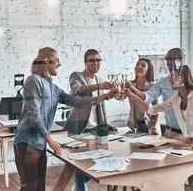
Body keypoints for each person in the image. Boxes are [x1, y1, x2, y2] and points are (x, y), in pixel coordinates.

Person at [13, 47, 116, 191]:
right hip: (27, 143)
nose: (59, 64)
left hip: (39, 144)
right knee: (30, 187)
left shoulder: (53, 87)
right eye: (57, 60)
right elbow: (33, 113)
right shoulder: (33, 81)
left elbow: (76, 101)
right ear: (48, 60)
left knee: (38, 187)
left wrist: (105, 96)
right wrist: (50, 140)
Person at [125, 64, 193, 191]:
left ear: (182, 78)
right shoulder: (176, 98)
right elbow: (152, 110)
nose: (169, 80)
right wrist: (132, 96)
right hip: (189, 144)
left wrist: (191, 143)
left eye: (172, 76)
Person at [64, 49, 116, 191]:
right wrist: (100, 86)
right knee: (81, 163)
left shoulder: (100, 79)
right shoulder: (76, 76)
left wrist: (109, 95)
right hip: (79, 126)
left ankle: (78, 187)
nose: (95, 63)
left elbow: (99, 103)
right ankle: (80, 188)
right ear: (85, 62)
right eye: (92, 60)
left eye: (98, 60)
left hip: (95, 128)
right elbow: (78, 90)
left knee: (97, 160)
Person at [128, 48, 193, 136]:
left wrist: (192, 141)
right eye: (168, 65)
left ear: (181, 61)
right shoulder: (175, 97)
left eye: (172, 65)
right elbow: (150, 102)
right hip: (171, 133)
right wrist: (132, 91)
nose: (170, 69)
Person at [126, 58, 158, 134]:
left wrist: (154, 127)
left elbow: (156, 109)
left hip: (149, 123)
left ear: (148, 70)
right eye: (137, 64)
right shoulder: (130, 84)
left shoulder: (152, 86)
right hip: (134, 124)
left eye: (143, 66)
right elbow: (121, 96)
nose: (139, 67)